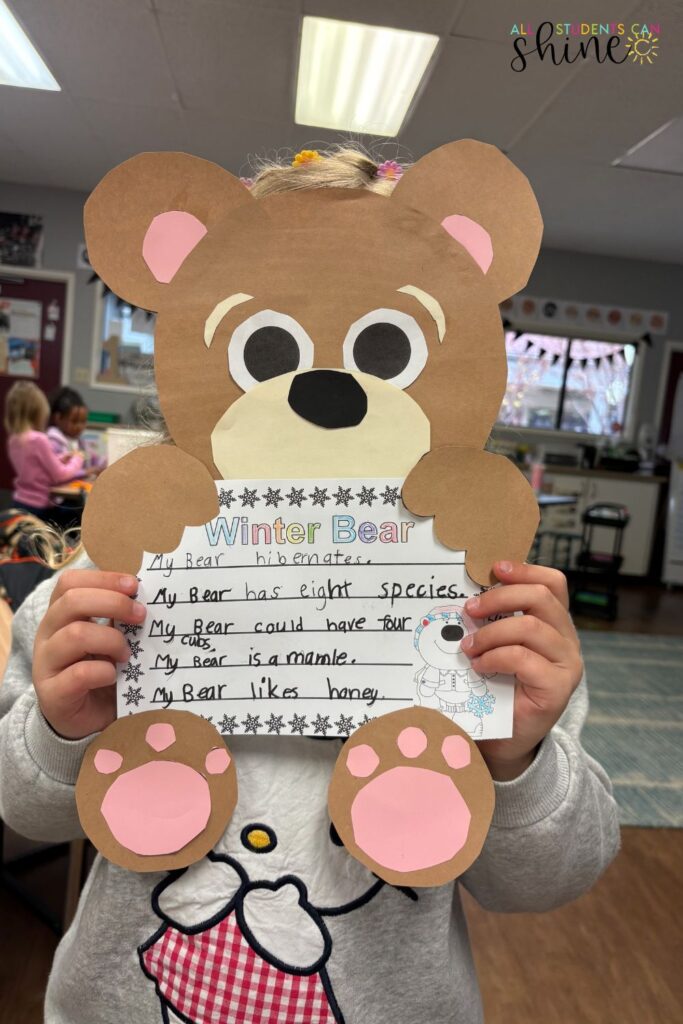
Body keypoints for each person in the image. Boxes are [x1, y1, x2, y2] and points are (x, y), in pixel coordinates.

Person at [0, 149, 619, 1024]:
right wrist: (64, 729)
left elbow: (547, 882)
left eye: (382, 347)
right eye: (268, 344)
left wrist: (517, 759)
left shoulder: (492, 598)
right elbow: (23, 809)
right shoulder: (113, 579)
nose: (327, 392)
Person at [4, 381, 85, 529]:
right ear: (38, 412)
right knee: (76, 510)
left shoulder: (14, 439)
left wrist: (61, 458)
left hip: (19, 503)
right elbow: (60, 475)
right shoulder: (38, 439)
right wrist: (78, 458)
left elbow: (34, 467)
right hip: (40, 508)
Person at [47, 385, 105, 472]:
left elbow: (94, 460)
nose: (79, 426)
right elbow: (57, 473)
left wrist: (107, 461)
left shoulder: (80, 443)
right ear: (58, 418)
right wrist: (86, 472)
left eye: (83, 422)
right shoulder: (53, 444)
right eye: (74, 421)